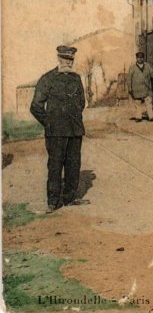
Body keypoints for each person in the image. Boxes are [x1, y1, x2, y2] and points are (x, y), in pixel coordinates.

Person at [30, 45, 88, 213]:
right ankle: (53, 202)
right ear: (58, 59)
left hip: (75, 130)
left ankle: (70, 198)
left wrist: (73, 116)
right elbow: (35, 106)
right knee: (55, 166)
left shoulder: (76, 79)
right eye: (65, 59)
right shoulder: (48, 79)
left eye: (70, 59)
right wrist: (49, 122)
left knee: (73, 164)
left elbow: (81, 102)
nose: (68, 63)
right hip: (55, 132)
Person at [127, 51, 153, 122]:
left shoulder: (147, 66)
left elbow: (152, 73)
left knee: (148, 102)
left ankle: (151, 117)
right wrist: (130, 88)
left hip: (146, 88)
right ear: (136, 58)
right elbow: (129, 78)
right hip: (137, 88)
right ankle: (138, 117)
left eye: (141, 58)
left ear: (143, 58)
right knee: (137, 103)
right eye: (138, 58)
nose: (140, 59)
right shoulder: (132, 67)